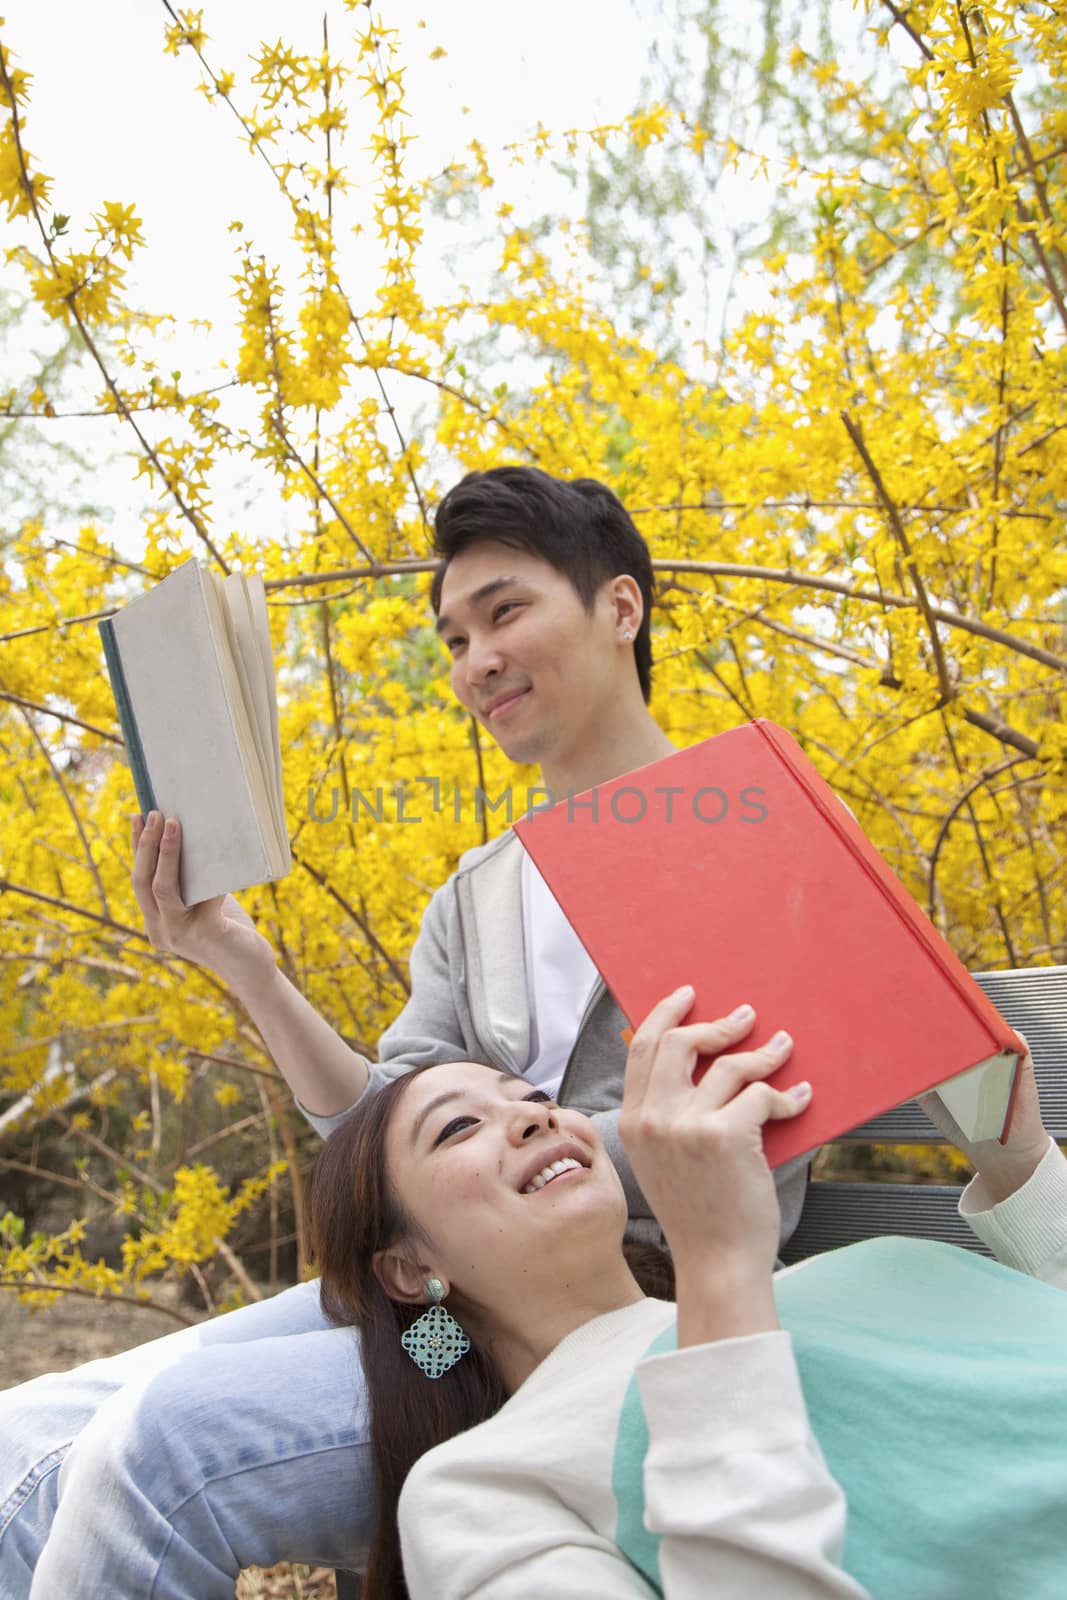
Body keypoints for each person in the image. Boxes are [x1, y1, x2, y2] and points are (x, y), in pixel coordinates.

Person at [0, 467, 812, 1596]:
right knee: (25, 1436)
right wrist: (244, 964)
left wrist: (495, 1155)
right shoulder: (478, 893)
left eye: (504, 611)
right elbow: (383, 1121)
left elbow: (769, 1121)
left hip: (623, 1304)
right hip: (431, 1304)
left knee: (158, 1449)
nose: (474, 660)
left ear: (619, 608)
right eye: (451, 637)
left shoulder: (743, 830)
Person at [309, 989, 1067, 1600]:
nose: (535, 1114)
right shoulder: (477, 1489)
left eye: (534, 1093)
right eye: (458, 1127)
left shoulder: (799, 1287)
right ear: (409, 1272)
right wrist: (717, 1265)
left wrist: (1018, 1161)